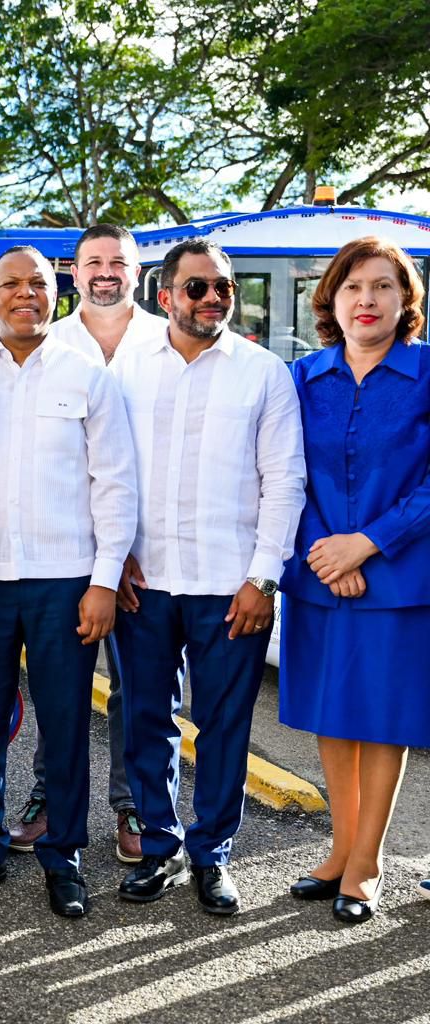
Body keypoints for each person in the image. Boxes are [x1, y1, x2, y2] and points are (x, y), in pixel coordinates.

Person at [0, 247, 137, 918]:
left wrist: (104, 581)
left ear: (55, 291)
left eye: (37, 283)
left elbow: (115, 486)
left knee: (65, 722)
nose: (25, 294)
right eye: (10, 285)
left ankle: (64, 856)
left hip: (66, 583)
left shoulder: (90, 380)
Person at [112, 239, 305, 915]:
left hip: (231, 586)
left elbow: (285, 480)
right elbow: (109, 471)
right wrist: (115, 557)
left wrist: (264, 579)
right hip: (146, 581)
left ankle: (213, 854)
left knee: (223, 725)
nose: (214, 298)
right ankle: (158, 848)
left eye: (223, 287)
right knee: (146, 720)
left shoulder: (263, 373)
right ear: (164, 296)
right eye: (197, 288)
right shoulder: (127, 369)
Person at [278, 236, 430, 923]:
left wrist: (366, 544)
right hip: (318, 577)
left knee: (383, 720)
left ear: (407, 302)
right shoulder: (301, 379)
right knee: (332, 718)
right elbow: (282, 474)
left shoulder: (428, 373)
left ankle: (366, 865)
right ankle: (339, 850)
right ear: (331, 302)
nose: (366, 299)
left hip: (399, 579)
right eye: (352, 287)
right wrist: (323, 551)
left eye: (382, 287)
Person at [12, 224, 167, 864]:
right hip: (71, 553)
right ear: (74, 274)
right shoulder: (49, 340)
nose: (106, 272)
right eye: (93, 262)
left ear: (138, 273)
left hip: (155, 551)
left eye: (118, 263)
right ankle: (50, 799)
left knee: (142, 690)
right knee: (61, 687)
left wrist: (130, 545)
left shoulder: (168, 341)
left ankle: (134, 806)